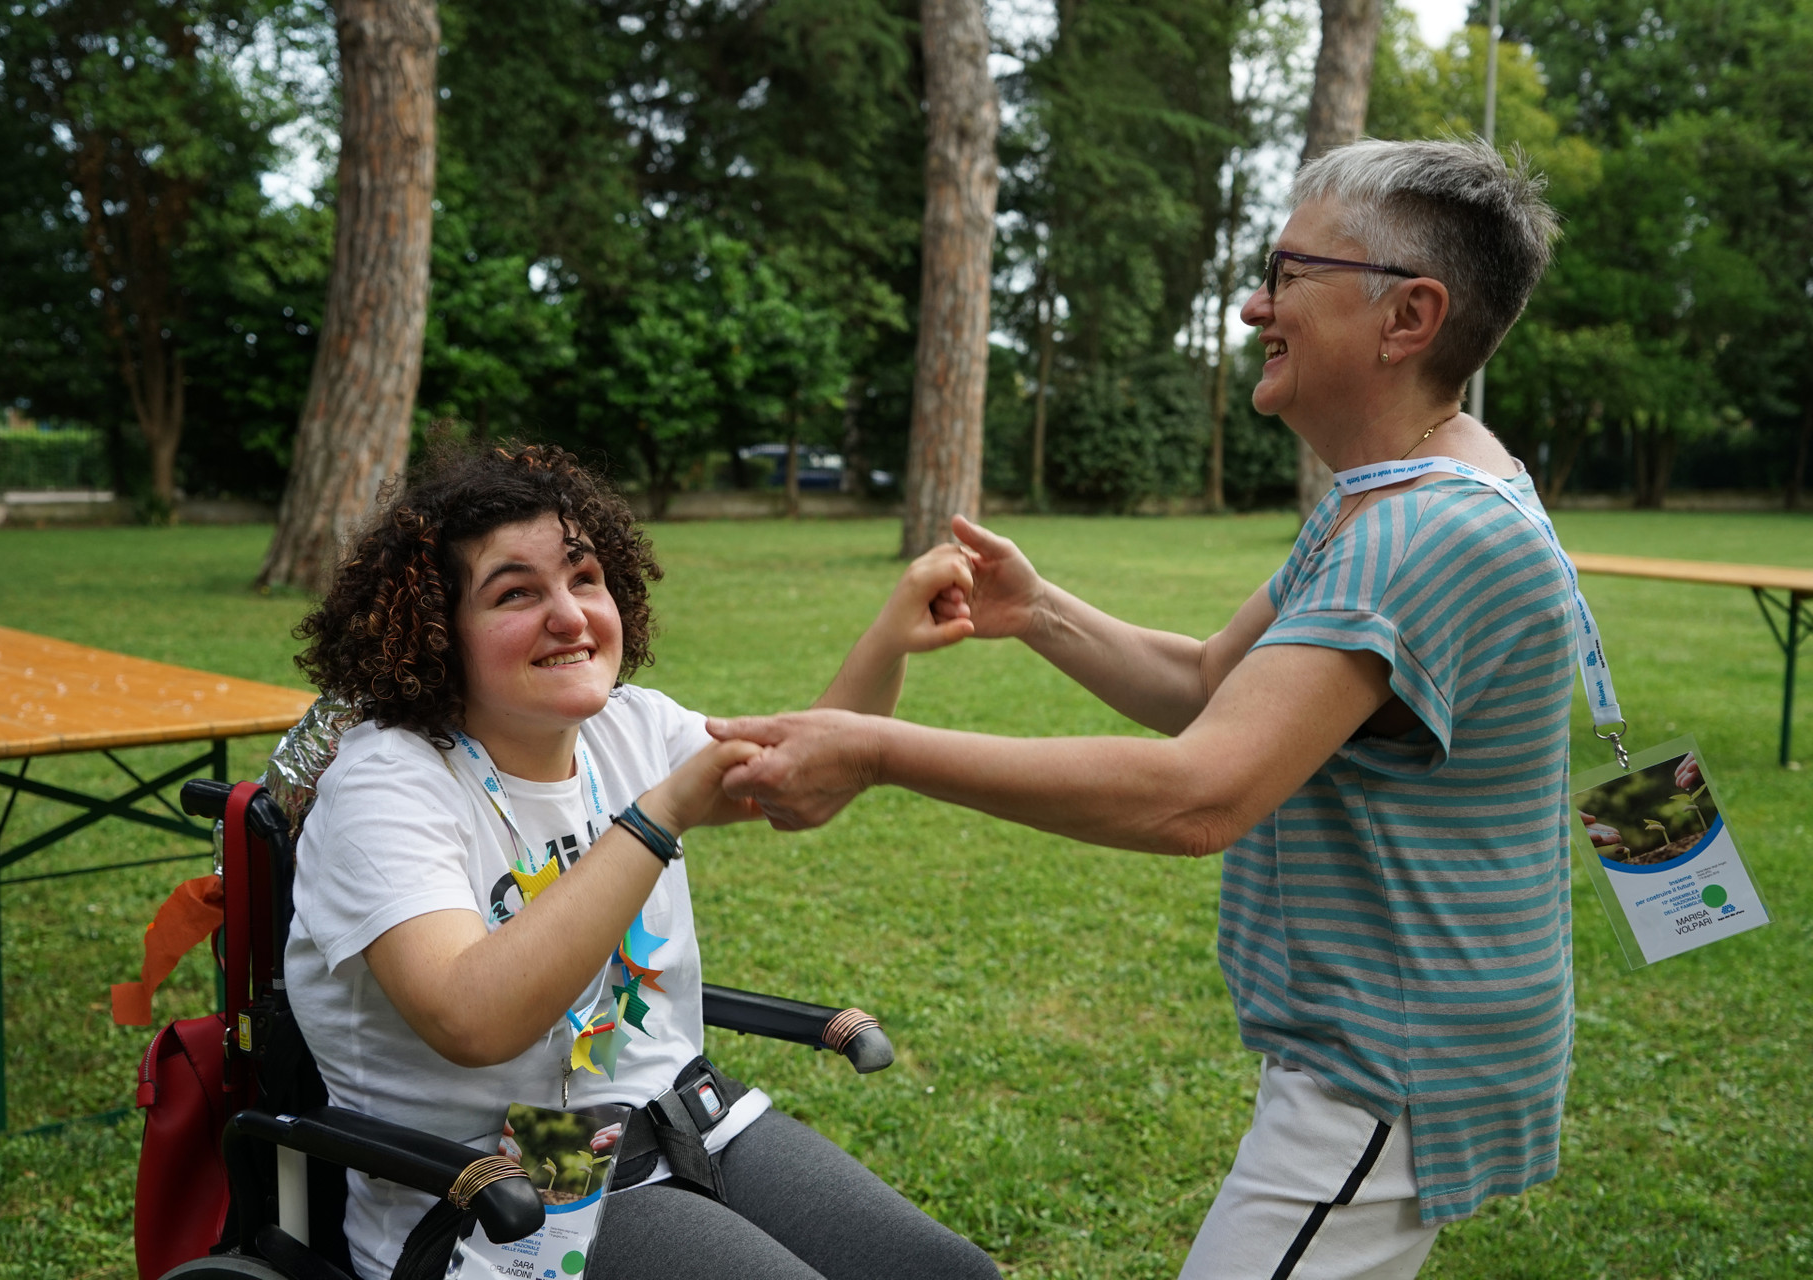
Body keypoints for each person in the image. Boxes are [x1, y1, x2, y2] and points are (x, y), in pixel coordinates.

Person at [712, 138, 1574, 1279]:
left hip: (1393, 1059)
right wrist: (1041, 612)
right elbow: (1218, 683)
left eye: (1289, 271)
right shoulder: (1401, 490)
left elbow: (1199, 795)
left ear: (1407, 316)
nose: (1255, 303)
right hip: (1390, 1037)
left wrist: (874, 749)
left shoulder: (1419, 533)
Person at [284, 442, 999, 1280]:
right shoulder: (386, 786)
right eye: (516, 592)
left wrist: (889, 638)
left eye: (583, 578)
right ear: (436, 631)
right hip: (498, 1192)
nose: (570, 616)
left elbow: (811, 777)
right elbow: (470, 1018)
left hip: (681, 1118)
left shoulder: (630, 726)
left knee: (948, 1273)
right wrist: (659, 814)